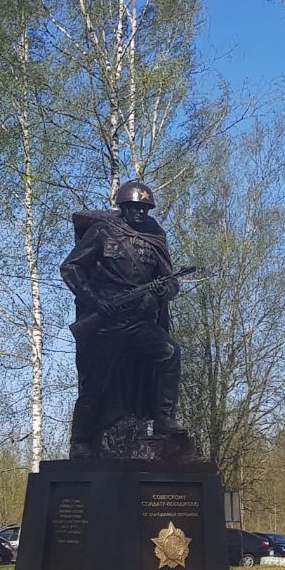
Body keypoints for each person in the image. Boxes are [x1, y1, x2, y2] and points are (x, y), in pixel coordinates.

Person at [60, 180, 184, 458]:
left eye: (144, 208)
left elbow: (169, 280)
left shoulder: (155, 237)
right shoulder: (103, 231)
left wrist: (164, 291)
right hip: (106, 323)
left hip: (139, 322)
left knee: (169, 352)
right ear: (124, 206)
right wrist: (95, 300)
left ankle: (164, 419)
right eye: (134, 207)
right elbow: (71, 267)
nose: (140, 212)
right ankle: (80, 441)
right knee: (96, 383)